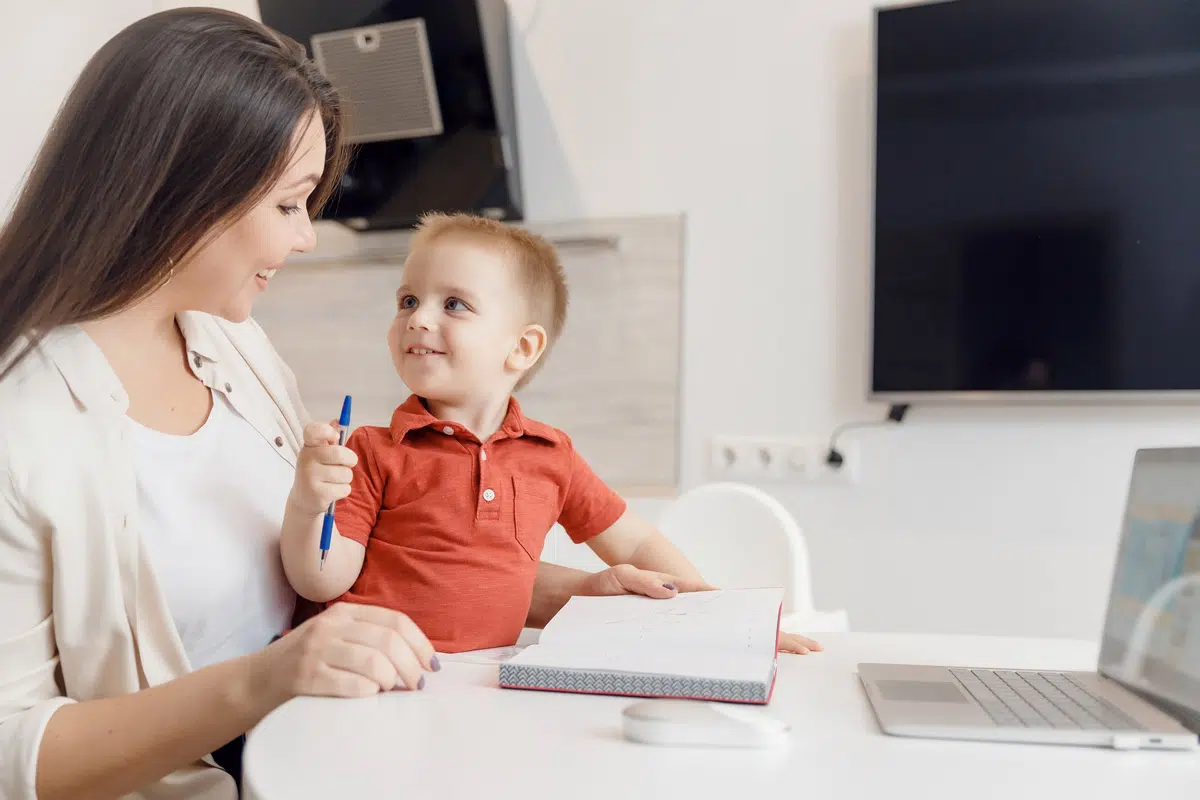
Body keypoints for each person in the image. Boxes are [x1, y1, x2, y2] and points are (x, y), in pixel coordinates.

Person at [0, 9, 710, 799]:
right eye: (288, 204)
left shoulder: (236, 352)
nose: (306, 237)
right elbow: (12, 750)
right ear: (181, 187)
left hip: (345, 745)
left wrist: (566, 595)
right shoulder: (22, 427)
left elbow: (355, 563)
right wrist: (265, 679)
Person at [279, 212, 825, 657]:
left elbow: (634, 543)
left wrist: (722, 617)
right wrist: (309, 503)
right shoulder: (371, 451)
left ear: (522, 348)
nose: (418, 319)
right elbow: (322, 581)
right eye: (407, 301)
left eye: (453, 305)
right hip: (372, 678)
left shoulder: (550, 454)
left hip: (481, 684)